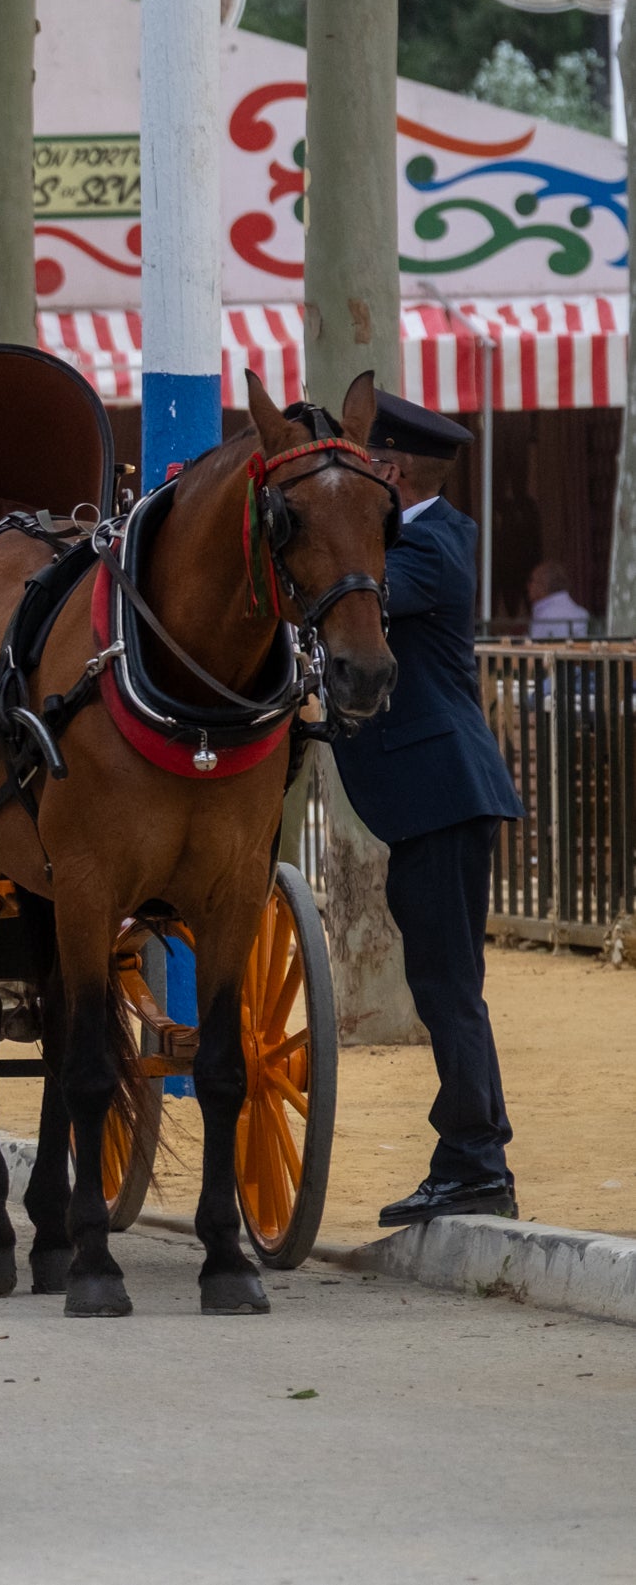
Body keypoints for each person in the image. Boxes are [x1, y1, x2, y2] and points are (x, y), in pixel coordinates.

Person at [334, 392, 527, 1226]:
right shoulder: (423, 537)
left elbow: (349, 597)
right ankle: (474, 1149)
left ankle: (476, 1161)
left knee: (447, 987)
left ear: (388, 468)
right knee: (447, 983)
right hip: (437, 795)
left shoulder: (427, 548)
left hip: (442, 791)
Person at [526, 560, 591, 639]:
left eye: (532, 580)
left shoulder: (545, 616)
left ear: (543, 584)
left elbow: (534, 648)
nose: (528, 586)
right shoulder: (582, 613)